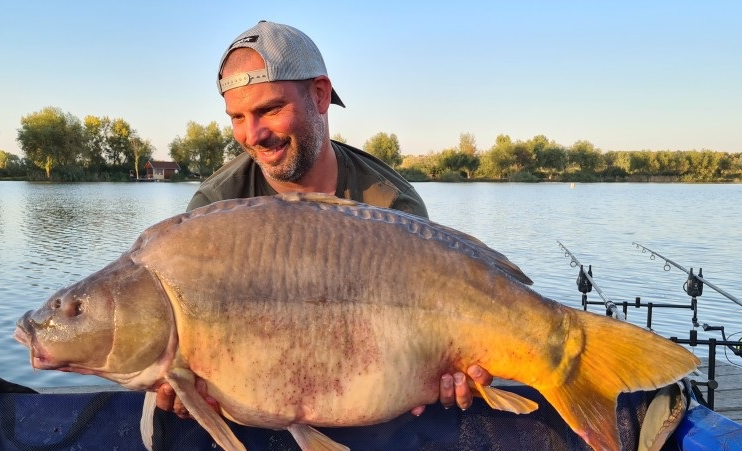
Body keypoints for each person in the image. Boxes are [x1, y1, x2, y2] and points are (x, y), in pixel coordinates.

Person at [156, 20, 491, 418]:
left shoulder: (391, 204)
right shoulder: (214, 207)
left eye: (270, 109)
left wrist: (446, 368)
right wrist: (182, 386)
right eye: (237, 117)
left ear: (319, 95)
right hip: (260, 413)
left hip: (370, 406)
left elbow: (431, 327)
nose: (253, 135)